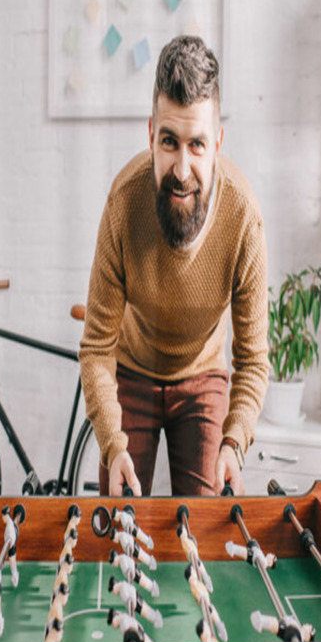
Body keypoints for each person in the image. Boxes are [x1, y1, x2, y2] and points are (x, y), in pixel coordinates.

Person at [79, 35, 269, 497]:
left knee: (203, 528)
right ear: (151, 135)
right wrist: (112, 445)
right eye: (170, 142)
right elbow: (97, 348)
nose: (182, 168)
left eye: (197, 145)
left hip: (203, 377)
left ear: (217, 144)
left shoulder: (243, 216)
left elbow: (252, 358)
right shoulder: (123, 203)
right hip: (132, 370)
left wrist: (234, 439)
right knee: (118, 527)